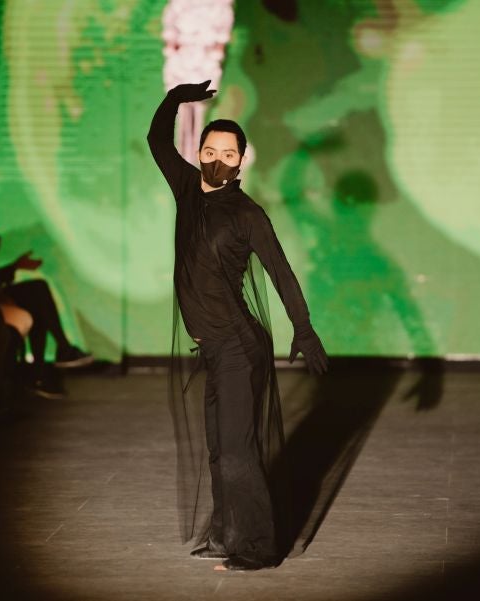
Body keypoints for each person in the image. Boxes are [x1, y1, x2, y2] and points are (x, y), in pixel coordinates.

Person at [148, 80, 328, 571]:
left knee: (236, 452)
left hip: (237, 348)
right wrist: (174, 100)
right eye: (210, 150)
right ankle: (228, 536)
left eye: (228, 153)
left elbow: (281, 272)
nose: (217, 159)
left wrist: (304, 328)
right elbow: (157, 143)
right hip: (213, 347)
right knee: (218, 450)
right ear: (199, 152)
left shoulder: (248, 214)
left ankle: (258, 547)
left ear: (241, 161)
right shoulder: (187, 189)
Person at [0, 182, 94, 398]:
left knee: (37, 296)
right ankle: (50, 359)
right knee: (37, 294)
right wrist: (15, 265)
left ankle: (44, 366)